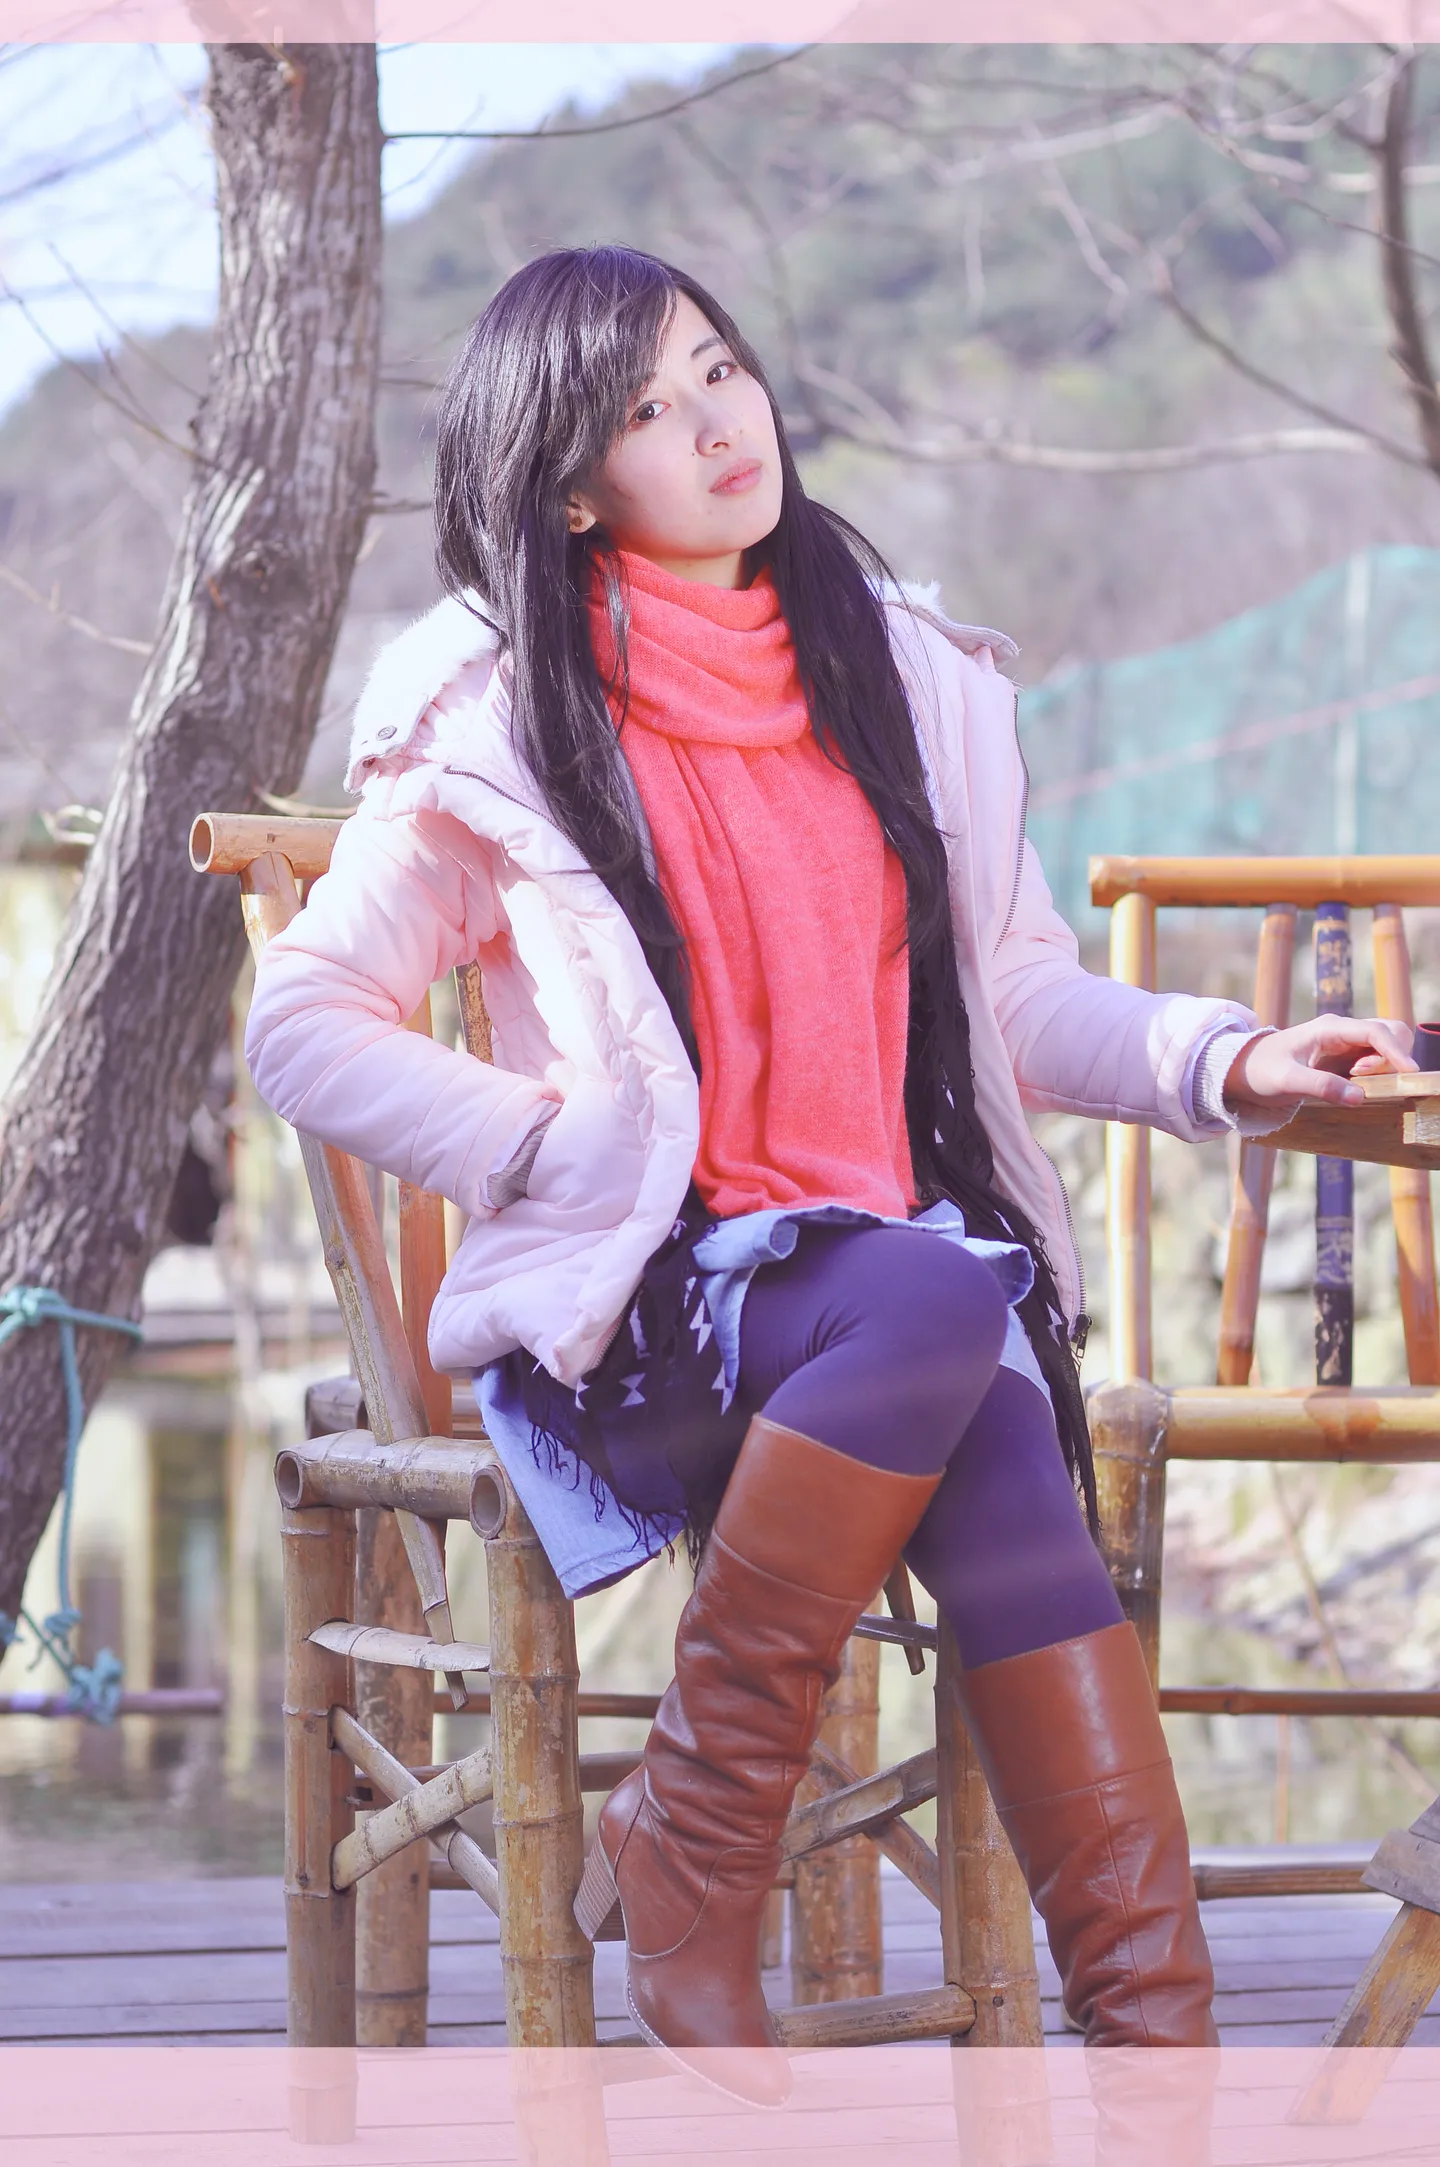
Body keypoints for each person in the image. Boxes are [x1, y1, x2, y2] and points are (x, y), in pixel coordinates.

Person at [245, 244, 1414, 2100]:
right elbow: (304, 1020)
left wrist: (1230, 1058)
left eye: (720, 369)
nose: (719, 423)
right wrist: (538, 1139)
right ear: (570, 484)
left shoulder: (902, 678)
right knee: (948, 1301)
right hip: (644, 1315)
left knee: (987, 1403)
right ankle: (702, 1838)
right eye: (649, 408)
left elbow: (1014, 997)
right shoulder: (499, 721)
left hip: (879, 1328)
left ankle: (1157, 2062)